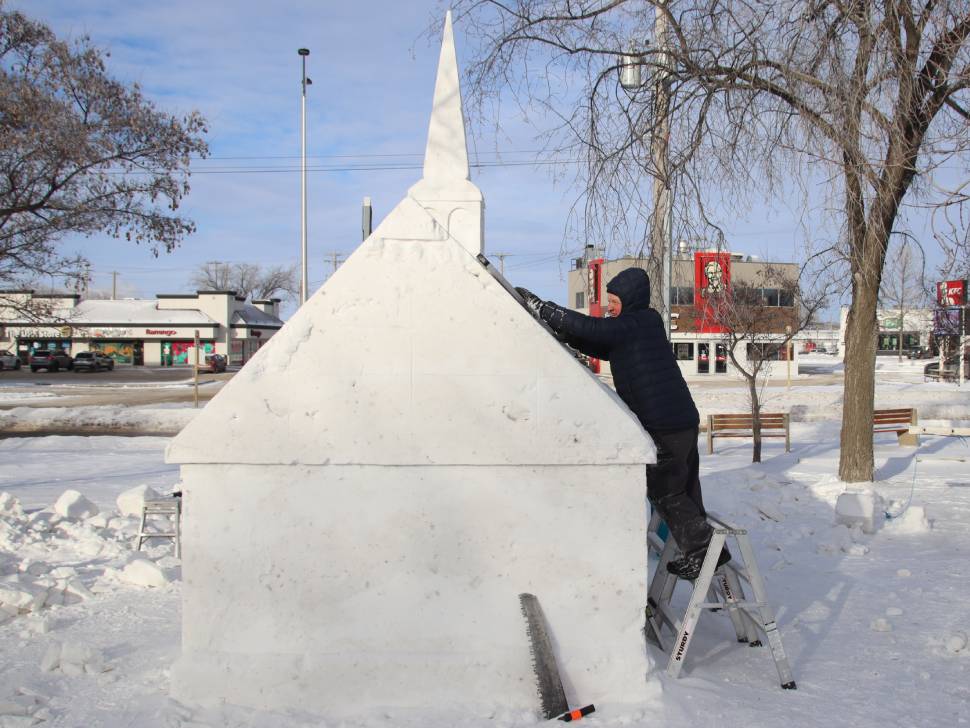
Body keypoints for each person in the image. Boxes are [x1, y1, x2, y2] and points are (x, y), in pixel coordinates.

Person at [516, 268, 729, 580]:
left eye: (614, 301)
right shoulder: (636, 328)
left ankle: (703, 552)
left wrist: (544, 309)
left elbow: (592, 328)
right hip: (680, 420)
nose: (610, 307)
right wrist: (564, 334)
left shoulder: (638, 322)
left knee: (665, 491)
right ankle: (706, 551)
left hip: (665, 425)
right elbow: (598, 343)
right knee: (685, 489)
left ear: (630, 300)